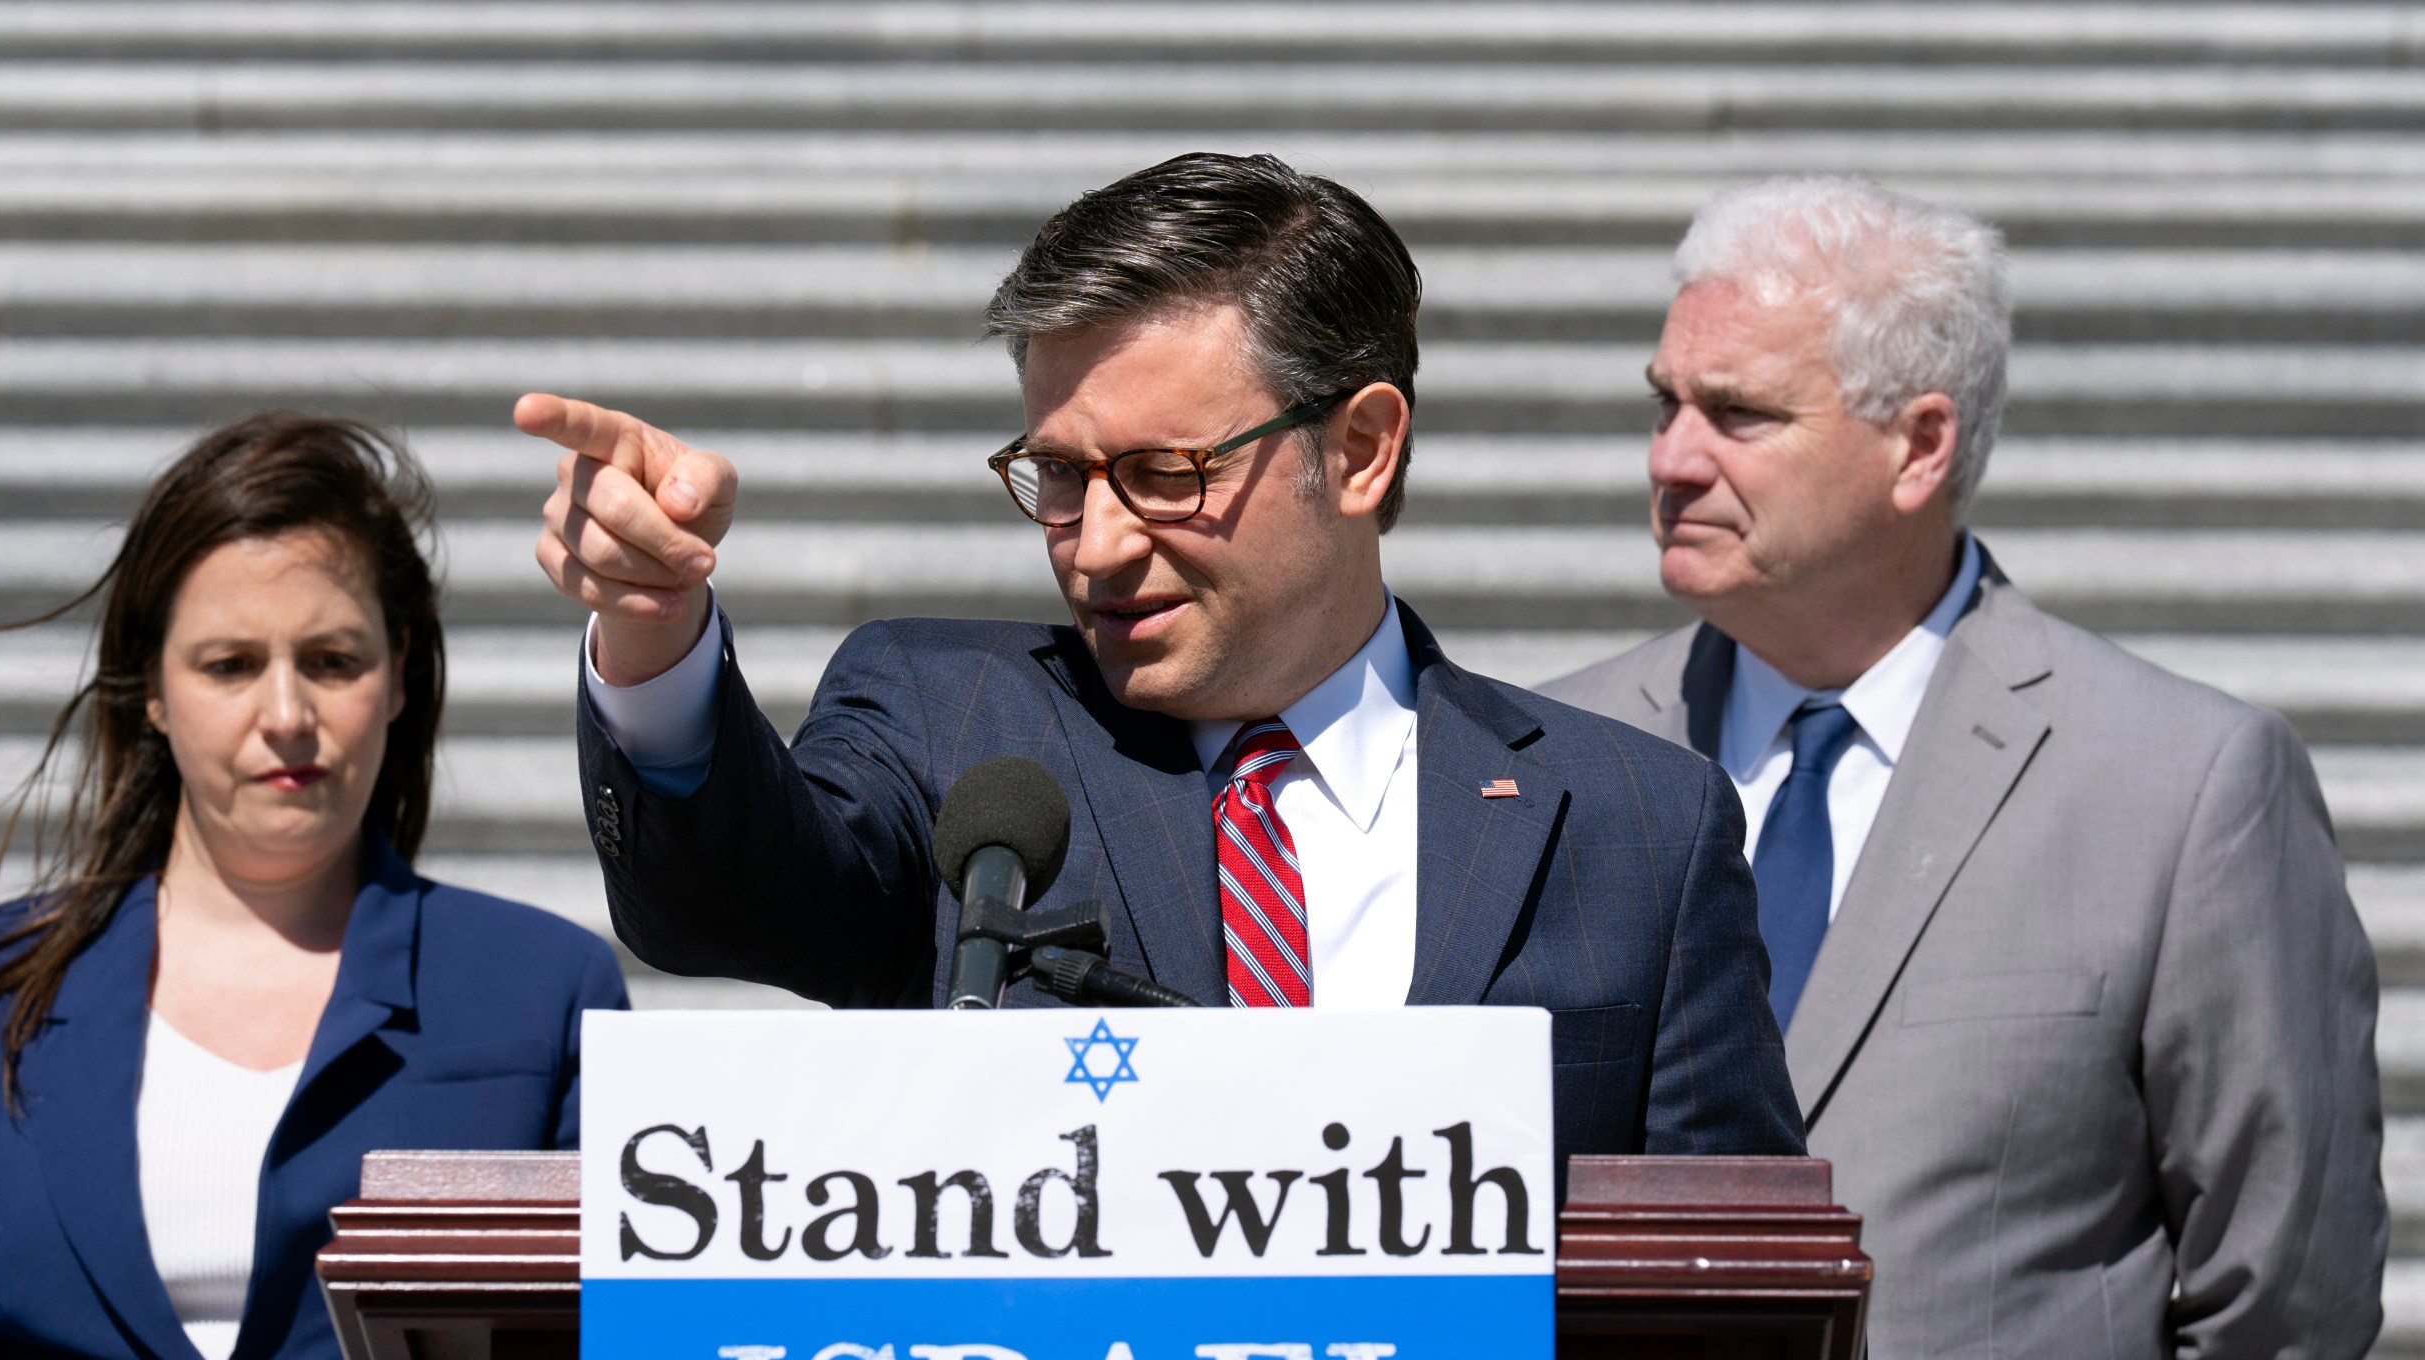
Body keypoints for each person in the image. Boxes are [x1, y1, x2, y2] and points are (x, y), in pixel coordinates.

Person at [522, 151, 1804, 1181]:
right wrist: (654, 633)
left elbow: (1737, 1298)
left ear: (1359, 450)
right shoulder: (958, 728)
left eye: (1161, 474)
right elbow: (735, 894)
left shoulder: (1638, 826)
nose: (1097, 543)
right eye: (1061, 477)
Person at [1540, 176, 2387, 1360]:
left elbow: (2284, 1297)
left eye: (1737, 414)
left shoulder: (2182, 782)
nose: (1671, 459)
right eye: (1665, 404)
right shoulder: (1557, 759)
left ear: (1919, 446)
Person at [0, 414, 627, 1360]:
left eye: (331, 659)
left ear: (398, 673)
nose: (285, 713)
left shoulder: (545, 991)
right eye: (229, 664)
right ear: (153, 693)